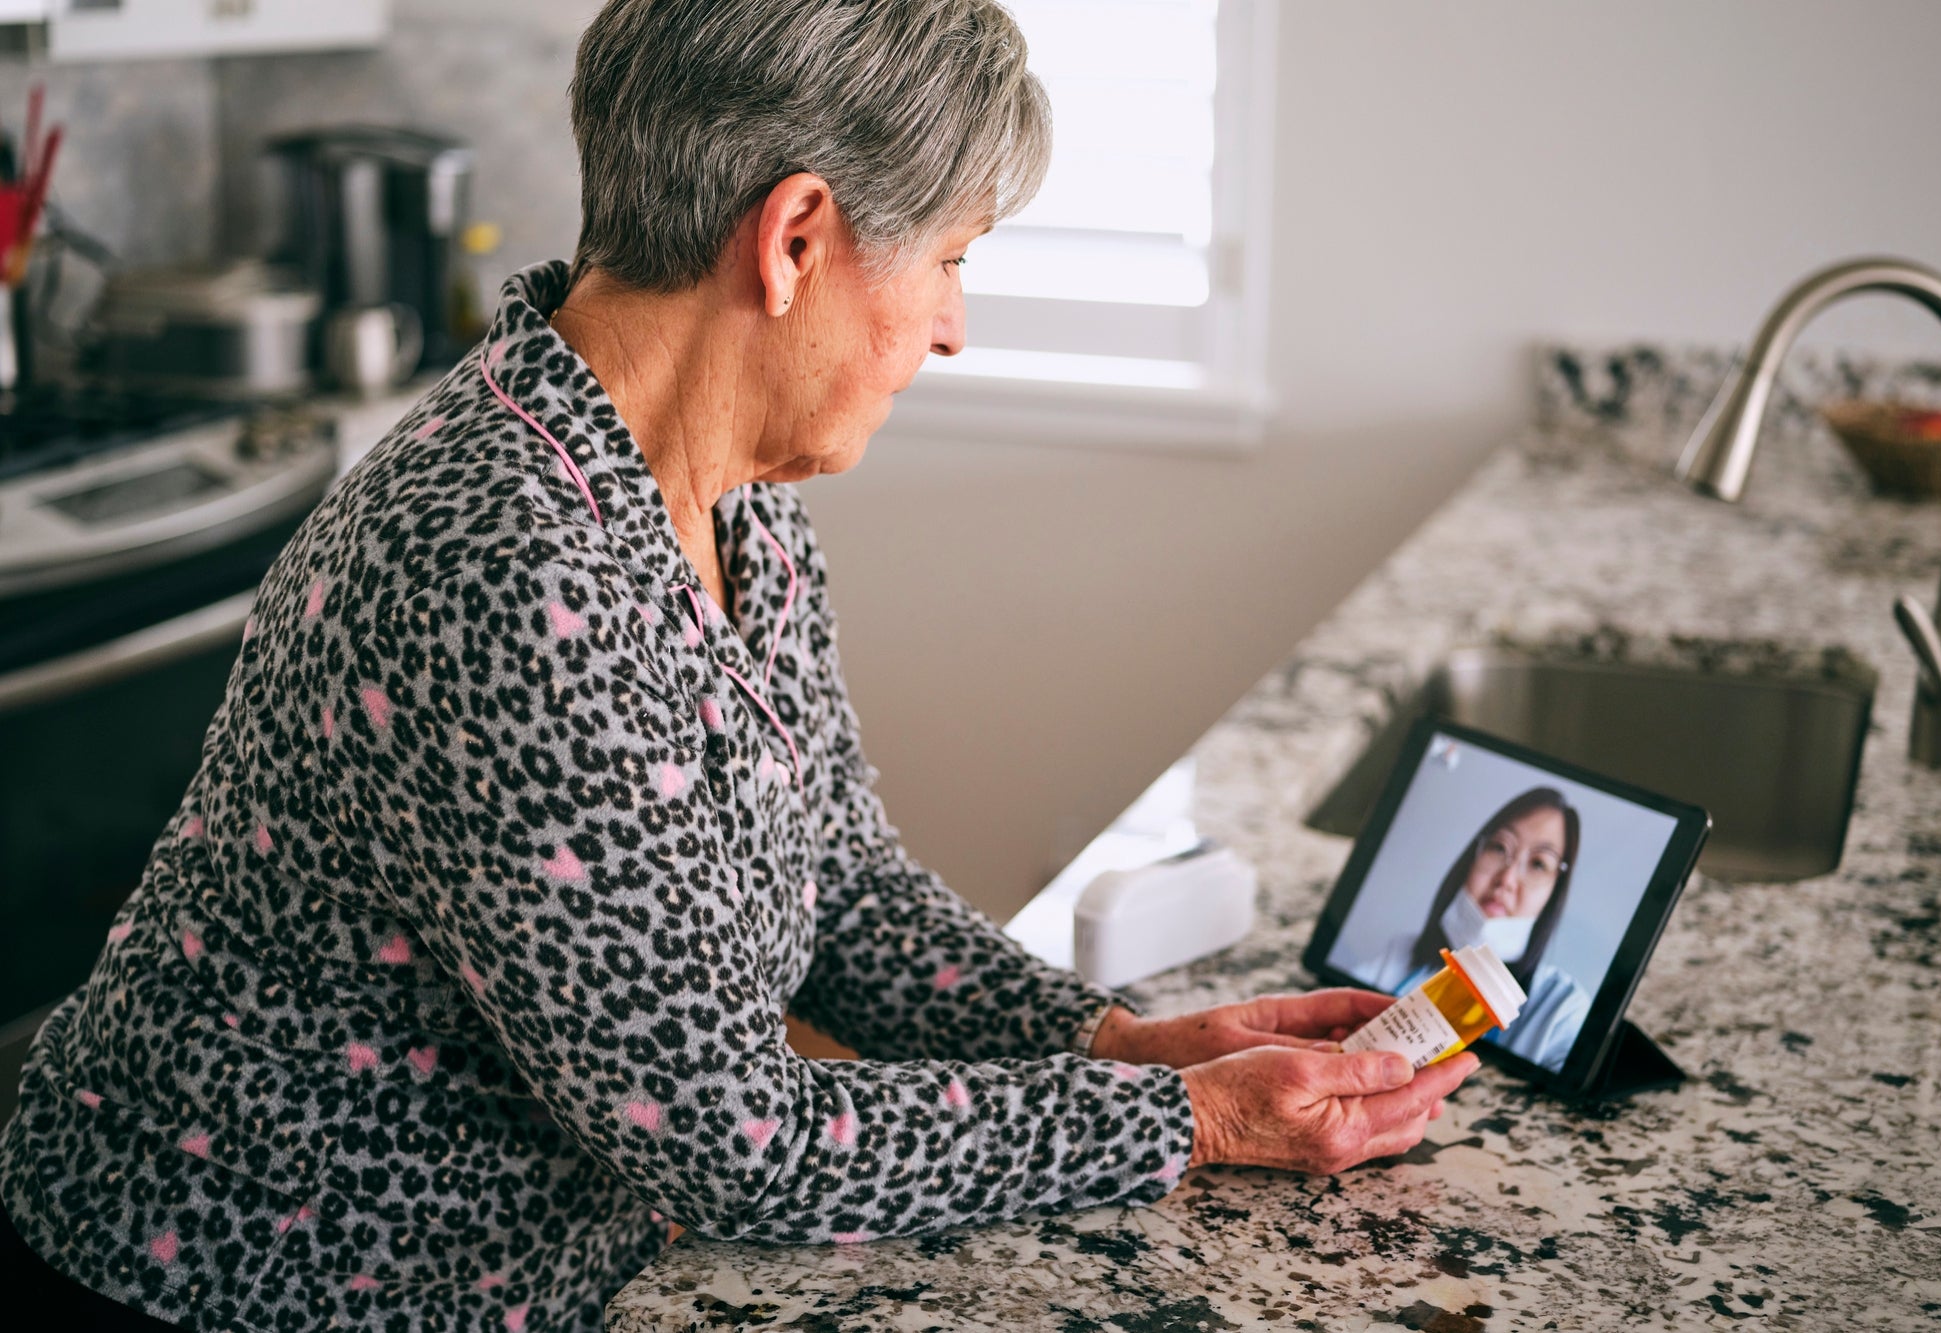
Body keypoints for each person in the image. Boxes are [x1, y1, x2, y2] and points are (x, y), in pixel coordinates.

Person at [0, 2, 1476, 1328]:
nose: (955, 326)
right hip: (235, 1284)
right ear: (794, 241)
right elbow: (732, 1138)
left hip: (512, 1272)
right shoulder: (509, 566)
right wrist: (1189, 1123)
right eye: (952, 260)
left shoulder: (731, 503)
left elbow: (843, 889)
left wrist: (1121, 1040)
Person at [1347, 787, 1592, 1068]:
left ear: (1554, 894)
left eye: (1538, 864)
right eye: (1499, 848)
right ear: (1472, 856)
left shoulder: (1562, 1007)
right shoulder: (1399, 954)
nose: (1507, 879)